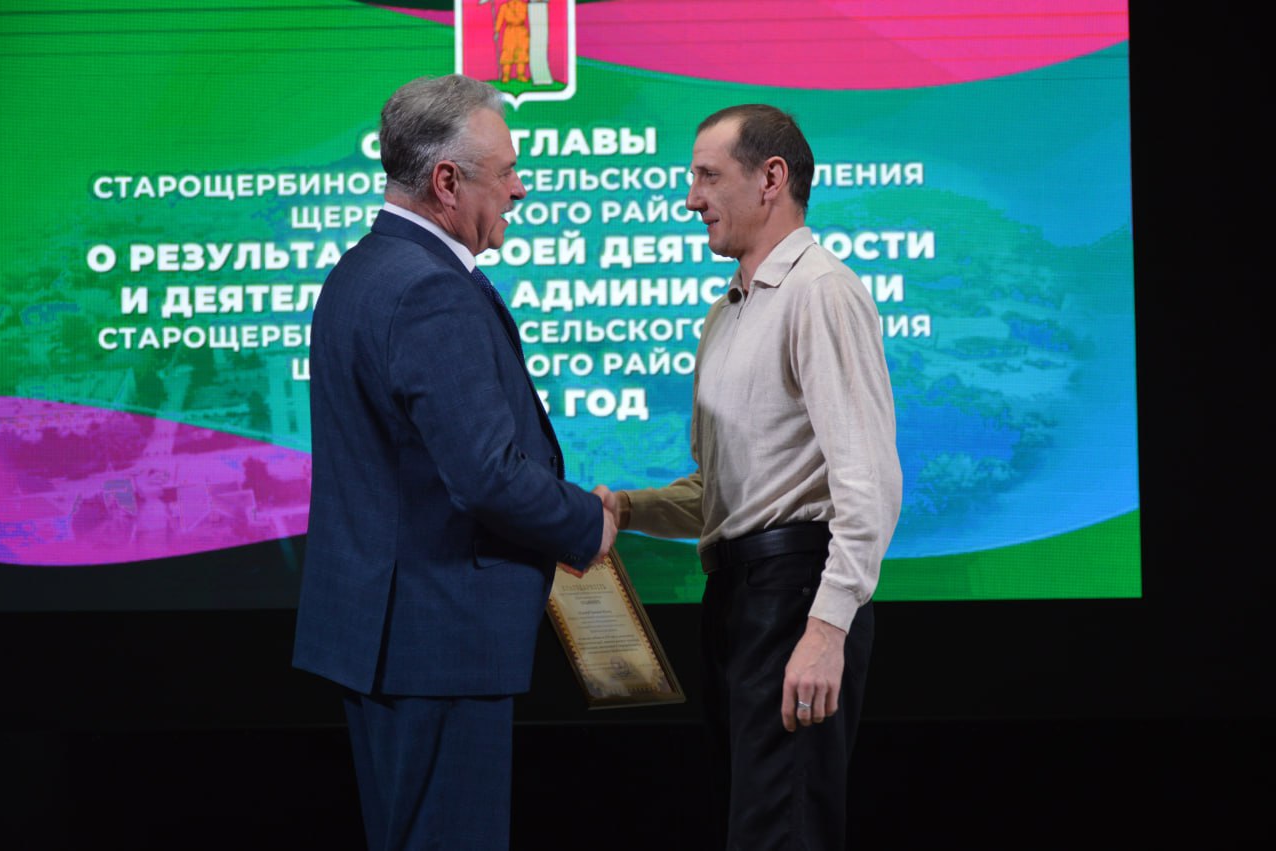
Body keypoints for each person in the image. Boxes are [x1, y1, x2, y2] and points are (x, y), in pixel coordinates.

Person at [292, 74, 616, 850]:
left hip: (391, 641)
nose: (520, 188)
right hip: (437, 643)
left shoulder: (359, 270)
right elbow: (486, 475)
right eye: (506, 172)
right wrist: (588, 521)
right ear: (446, 182)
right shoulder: (428, 289)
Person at [604, 105, 903, 850]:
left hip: (795, 597)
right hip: (737, 600)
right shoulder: (726, 314)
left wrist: (826, 630)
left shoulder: (821, 291)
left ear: (772, 179)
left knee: (782, 830)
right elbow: (723, 491)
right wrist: (626, 507)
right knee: (750, 826)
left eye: (708, 176)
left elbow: (868, 482)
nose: (691, 199)